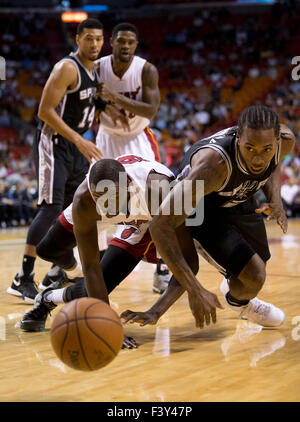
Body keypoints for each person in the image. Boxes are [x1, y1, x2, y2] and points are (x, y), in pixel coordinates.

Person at [120, 105, 296, 329]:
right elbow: (160, 225)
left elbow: (274, 164)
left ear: (278, 140)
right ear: (238, 137)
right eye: (250, 148)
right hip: (203, 206)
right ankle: (243, 305)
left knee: (256, 271)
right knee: (254, 275)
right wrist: (192, 292)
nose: (258, 159)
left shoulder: (285, 140)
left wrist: (276, 200)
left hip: (239, 196)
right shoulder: (212, 167)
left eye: (266, 149)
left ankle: (236, 293)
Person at [7, 19, 128, 303]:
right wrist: (79, 140)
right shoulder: (67, 68)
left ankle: (57, 270)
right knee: (50, 208)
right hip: (55, 142)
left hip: (76, 145)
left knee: (75, 210)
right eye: (89, 38)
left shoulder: (93, 70)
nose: (95, 44)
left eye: (99, 39)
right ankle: (22, 278)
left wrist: (109, 108)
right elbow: (45, 111)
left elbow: (87, 101)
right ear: (77, 39)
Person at [19, 155, 183, 348]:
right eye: (102, 199)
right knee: (47, 250)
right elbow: (90, 266)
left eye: (111, 199)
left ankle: (49, 298)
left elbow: (186, 258)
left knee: (99, 284)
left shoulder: (158, 188)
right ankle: (72, 274)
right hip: (105, 199)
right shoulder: (86, 198)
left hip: (141, 217)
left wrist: (108, 326)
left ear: (126, 186)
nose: (108, 207)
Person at [94, 22, 170, 294]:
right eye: (121, 41)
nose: (125, 46)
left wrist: (112, 97)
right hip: (105, 139)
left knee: (156, 204)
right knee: (98, 203)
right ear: (111, 41)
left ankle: (162, 267)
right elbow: (86, 99)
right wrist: (102, 106)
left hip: (138, 139)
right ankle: (102, 263)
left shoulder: (146, 70)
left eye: (131, 42)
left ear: (135, 45)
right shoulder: (96, 67)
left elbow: (150, 109)